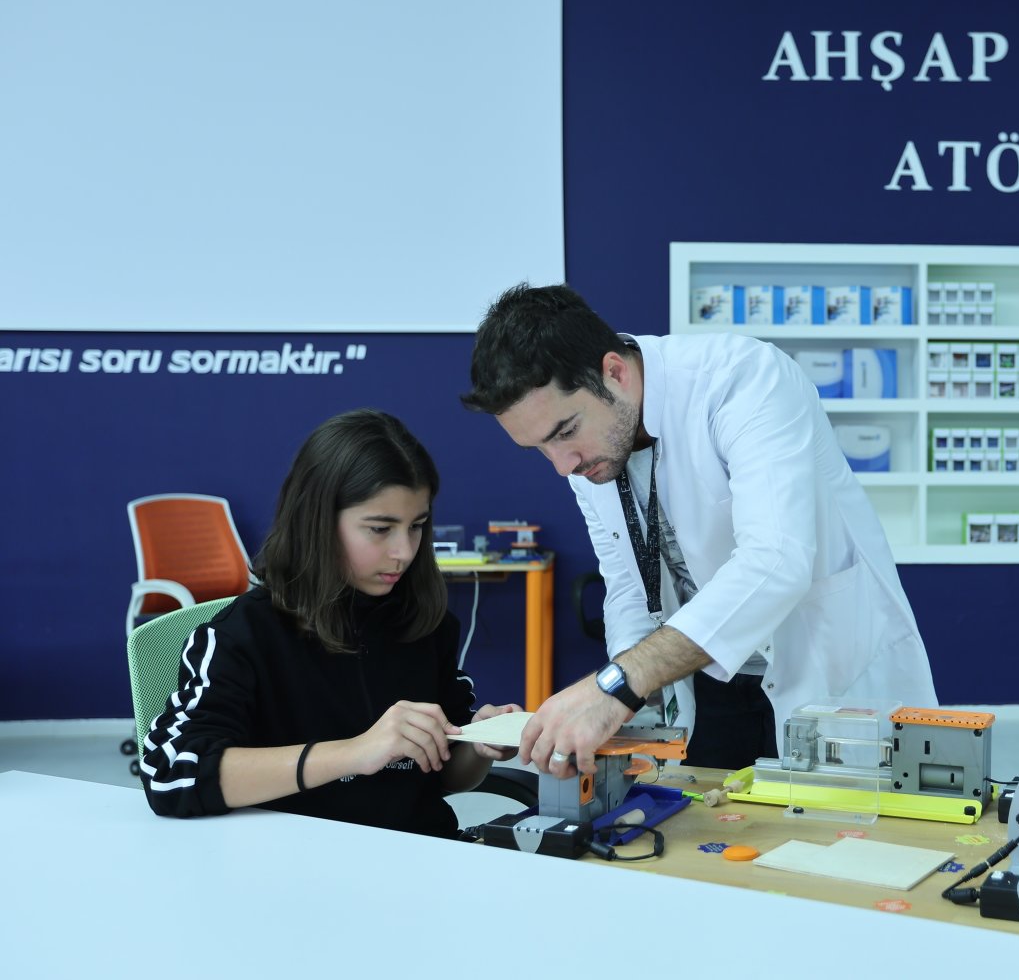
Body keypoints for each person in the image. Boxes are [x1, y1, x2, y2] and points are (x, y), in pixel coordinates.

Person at [461, 284, 937, 775]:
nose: (562, 466)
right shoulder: (591, 453)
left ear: (614, 373)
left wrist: (617, 684)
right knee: (714, 833)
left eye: (564, 433)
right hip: (706, 678)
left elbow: (775, 561)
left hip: (822, 667)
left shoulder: (742, 379)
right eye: (539, 447)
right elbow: (628, 586)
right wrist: (625, 707)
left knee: (841, 836)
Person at [140, 409, 522, 838]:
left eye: (416, 527)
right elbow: (171, 774)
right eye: (380, 529)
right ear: (317, 520)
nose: (404, 551)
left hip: (419, 863)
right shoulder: (240, 636)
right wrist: (355, 753)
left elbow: (445, 777)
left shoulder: (426, 626)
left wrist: (480, 744)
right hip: (295, 871)